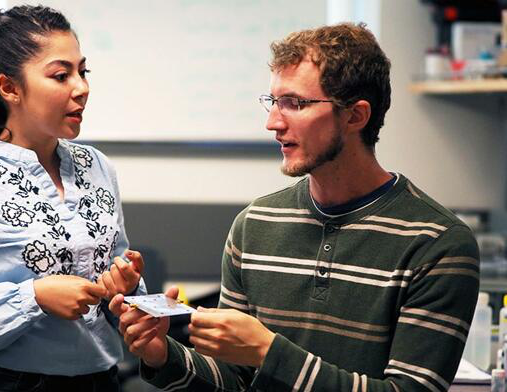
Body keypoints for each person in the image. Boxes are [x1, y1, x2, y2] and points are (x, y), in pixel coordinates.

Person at [109, 23, 480, 392]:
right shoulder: (254, 225)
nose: (273, 122)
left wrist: (270, 353)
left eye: (295, 104)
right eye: (273, 102)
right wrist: (164, 354)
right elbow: (235, 379)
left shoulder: (438, 244)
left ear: (356, 116)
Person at [0, 5, 145, 392]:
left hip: (103, 381)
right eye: (61, 75)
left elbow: (115, 283)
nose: (82, 87)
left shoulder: (98, 167)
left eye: (82, 71)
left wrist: (124, 288)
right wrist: (32, 297)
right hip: (7, 385)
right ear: (9, 88)